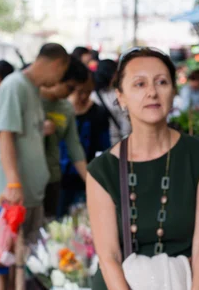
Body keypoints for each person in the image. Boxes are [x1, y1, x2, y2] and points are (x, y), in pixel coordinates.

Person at [86, 47, 199, 290]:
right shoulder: (101, 170)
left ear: (174, 91)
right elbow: (108, 255)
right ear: (120, 96)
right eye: (139, 84)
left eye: (161, 82)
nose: (151, 91)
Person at [0, 43, 71, 290]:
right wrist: (14, 183)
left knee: (18, 258)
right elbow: (5, 134)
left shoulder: (33, 90)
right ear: (57, 65)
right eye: (62, 72)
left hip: (29, 193)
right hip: (8, 194)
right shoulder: (14, 86)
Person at [41, 56, 89, 218]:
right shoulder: (31, 98)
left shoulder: (66, 108)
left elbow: (74, 147)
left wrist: (90, 183)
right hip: (28, 178)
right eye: (70, 87)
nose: (71, 93)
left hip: (52, 177)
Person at [59, 75, 110, 216]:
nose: (83, 96)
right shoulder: (62, 109)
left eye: (88, 92)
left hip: (88, 174)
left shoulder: (98, 112)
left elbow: (104, 146)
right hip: (61, 177)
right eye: (79, 92)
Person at [91, 59, 131, 146]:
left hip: (101, 142)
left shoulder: (92, 95)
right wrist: (126, 138)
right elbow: (124, 118)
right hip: (117, 141)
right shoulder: (115, 94)